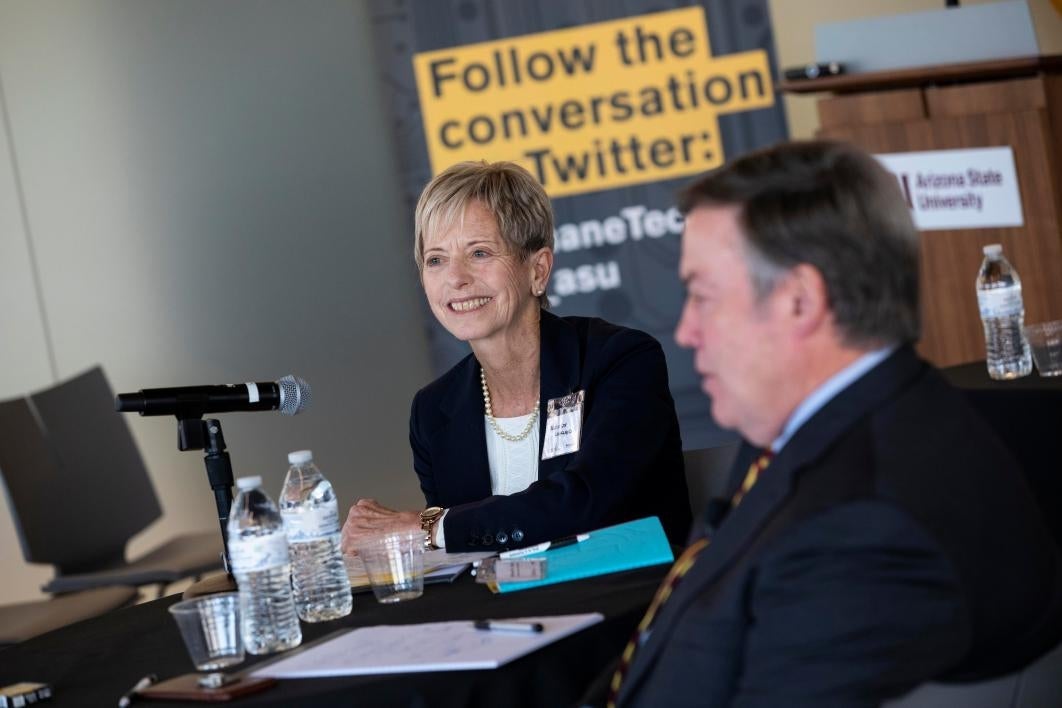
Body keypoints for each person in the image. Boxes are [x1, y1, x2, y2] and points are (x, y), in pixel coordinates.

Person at [604, 140, 1062, 707]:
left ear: (800, 301)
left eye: (703, 296)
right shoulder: (806, 426)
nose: (687, 331)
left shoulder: (865, 527)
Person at [341, 160, 691, 554]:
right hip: (502, 613)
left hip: (629, 605)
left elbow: (586, 504)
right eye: (436, 259)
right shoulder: (433, 410)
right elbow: (461, 548)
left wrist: (426, 527)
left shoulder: (619, 361)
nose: (455, 278)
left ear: (537, 270)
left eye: (479, 252)